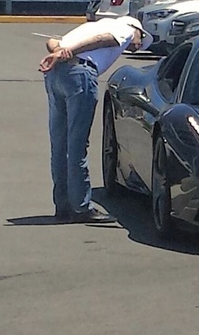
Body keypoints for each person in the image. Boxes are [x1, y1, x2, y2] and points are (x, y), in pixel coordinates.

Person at [39, 16, 153, 223]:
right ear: (137, 29)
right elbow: (103, 39)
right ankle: (81, 207)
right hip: (80, 74)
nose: (136, 47)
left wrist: (59, 52)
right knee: (76, 144)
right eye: (141, 40)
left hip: (56, 74)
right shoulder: (124, 29)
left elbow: (53, 42)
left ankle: (63, 205)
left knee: (60, 144)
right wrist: (71, 52)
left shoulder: (89, 27)